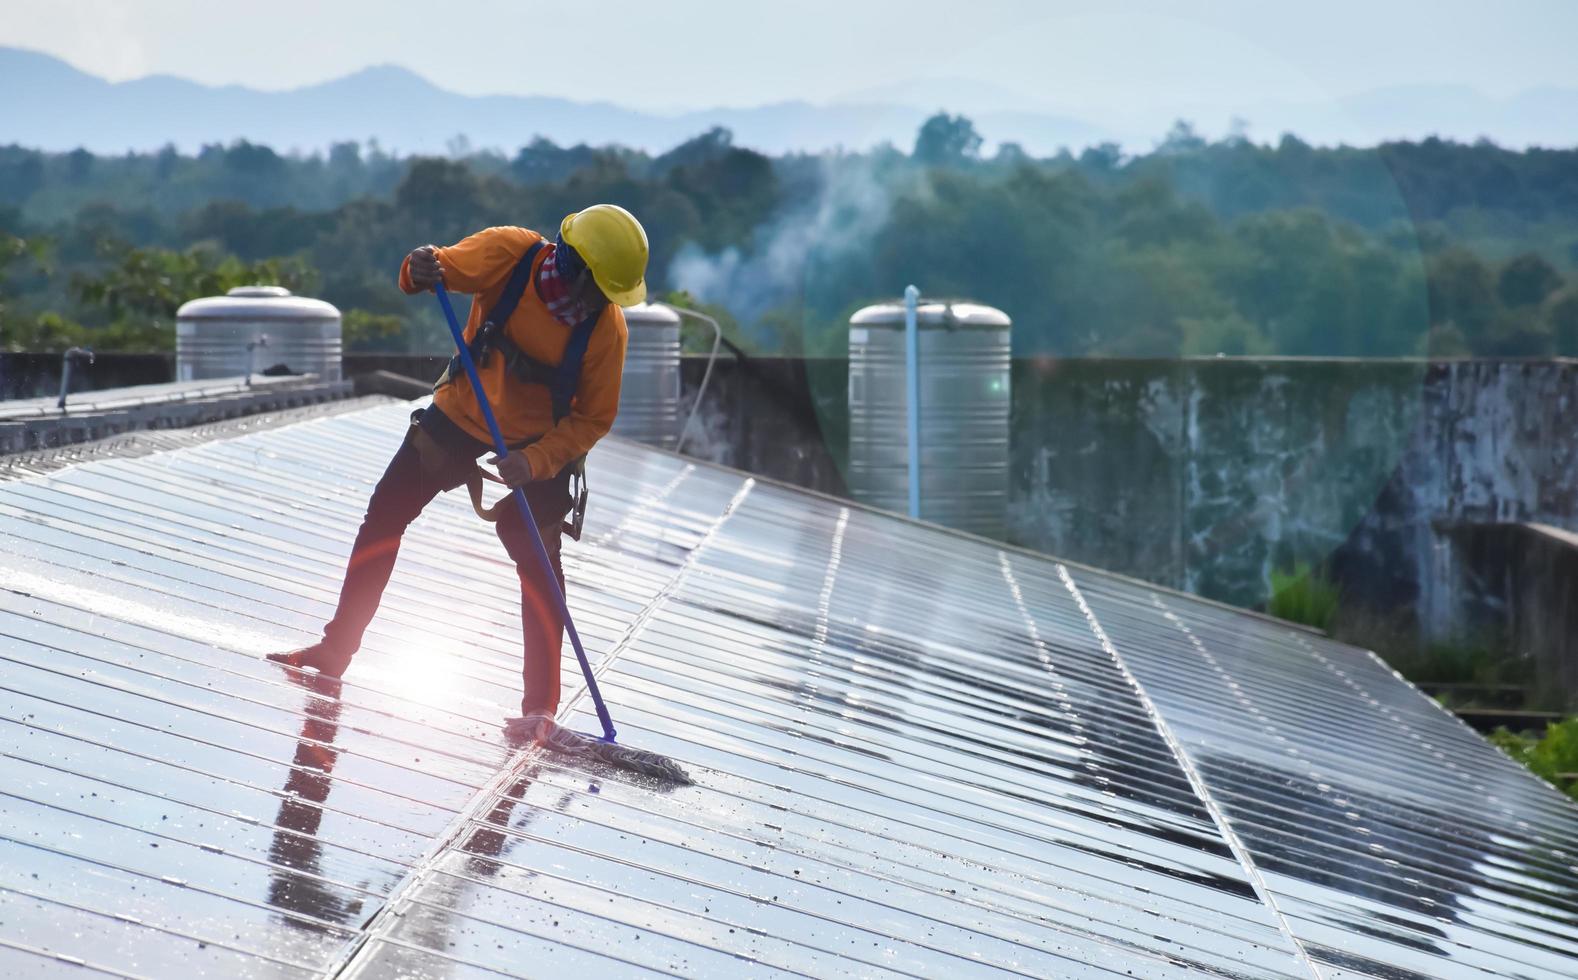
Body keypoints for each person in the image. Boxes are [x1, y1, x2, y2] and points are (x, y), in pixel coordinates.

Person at [268, 204, 646, 721]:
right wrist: (418, 266)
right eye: (596, 289)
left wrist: (534, 462)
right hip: (463, 412)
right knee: (385, 515)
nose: (599, 303)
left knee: (539, 563)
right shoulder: (511, 253)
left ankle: (541, 710)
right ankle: (336, 650)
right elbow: (435, 269)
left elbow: (593, 419)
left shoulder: (606, 331)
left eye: (608, 296)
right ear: (571, 264)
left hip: (537, 443)